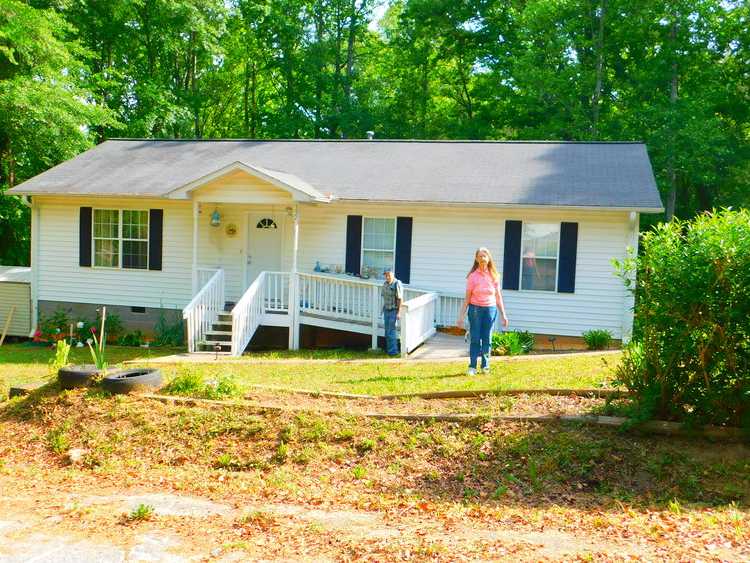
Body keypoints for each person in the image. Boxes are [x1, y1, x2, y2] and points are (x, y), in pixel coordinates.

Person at [457, 247, 509, 375]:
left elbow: (498, 296)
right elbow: (467, 298)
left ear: (489, 258)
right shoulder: (472, 277)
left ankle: (485, 366)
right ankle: (472, 367)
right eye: (479, 256)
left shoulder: (495, 276)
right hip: (475, 310)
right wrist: (461, 316)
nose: (482, 258)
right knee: (475, 338)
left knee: (487, 339)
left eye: (484, 256)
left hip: (490, 310)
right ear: (476, 259)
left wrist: (503, 315)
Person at [381, 266, 403, 356]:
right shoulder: (385, 284)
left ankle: (393, 352)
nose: (387, 277)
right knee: (387, 331)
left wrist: (399, 312)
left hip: (394, 310)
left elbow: (400, 299)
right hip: (386, 310)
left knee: (391, 331)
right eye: (385, 275)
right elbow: (384, 297)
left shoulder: (397, 283)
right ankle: (389, 350)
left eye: (388, 275)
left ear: (393, 274)